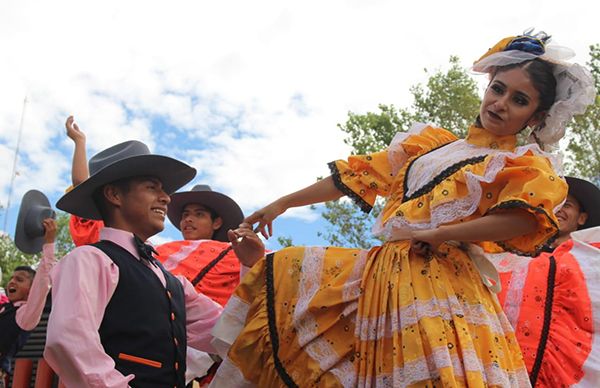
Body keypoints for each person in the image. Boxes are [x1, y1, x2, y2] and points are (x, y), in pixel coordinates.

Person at [209, 31, 595, 387]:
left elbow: (519, 218)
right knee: (288, 271)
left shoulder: (522, 164)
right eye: (498, 89)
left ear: (536, 117)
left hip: (443, 280)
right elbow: (357, 175)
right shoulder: (430, 145)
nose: (500, 103)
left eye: (519, 100)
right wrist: (282, 203)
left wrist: (440, 233)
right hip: (384, 271)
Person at [44, 140, 264, 387]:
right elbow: (68, 341)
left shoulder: (172, 282)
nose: (166, 198)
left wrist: (250, 267)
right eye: (152, 187)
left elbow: (230, 334)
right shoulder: (88, 260)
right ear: (114, 195)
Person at [491, 177, 600, 387]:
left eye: (566, 205)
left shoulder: (593, 260)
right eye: (554, 204)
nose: (558, 210)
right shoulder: (511, 255)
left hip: (562, 371)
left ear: (582, 218)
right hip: (502, 362)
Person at [0, 204, 57, 384]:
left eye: (20, 279)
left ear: (32, 290)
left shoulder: (25, 316)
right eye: (12, 278)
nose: (12, 282)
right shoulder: (4, 308)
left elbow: (42, 281)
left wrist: (48, 243)